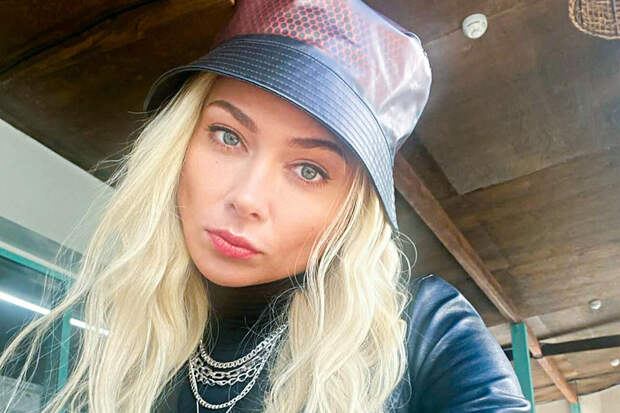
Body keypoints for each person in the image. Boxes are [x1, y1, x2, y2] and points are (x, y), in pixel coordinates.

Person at [0, 1, 531, 412]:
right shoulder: (140, 330)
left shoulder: (423, 329)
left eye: (309, 170)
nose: (247, 198)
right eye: (228, 136)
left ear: (351, 209)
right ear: (181, 141)